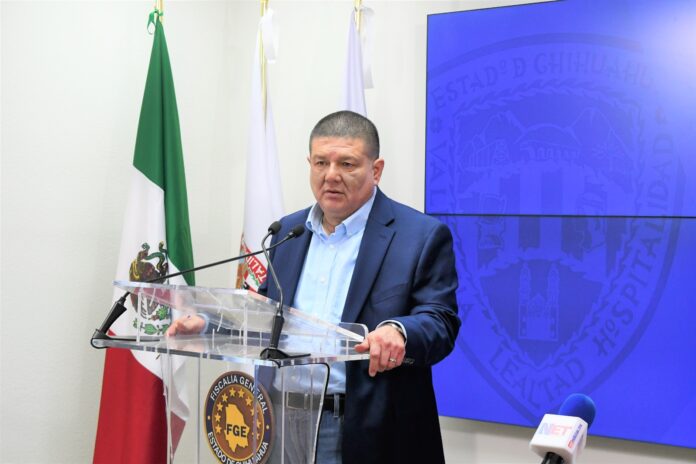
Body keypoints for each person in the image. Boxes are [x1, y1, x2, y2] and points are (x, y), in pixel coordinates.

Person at [169, 110, 460, 464]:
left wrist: (399, 331)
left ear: (376, 170)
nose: (331, 175)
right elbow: (265, 312)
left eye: (347, 164)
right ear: (310, 163)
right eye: (321, 162)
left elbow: (440, 320)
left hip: (362, 426)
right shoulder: (287, 232)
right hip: (277, 416)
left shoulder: (419, 236)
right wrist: (209, 323)